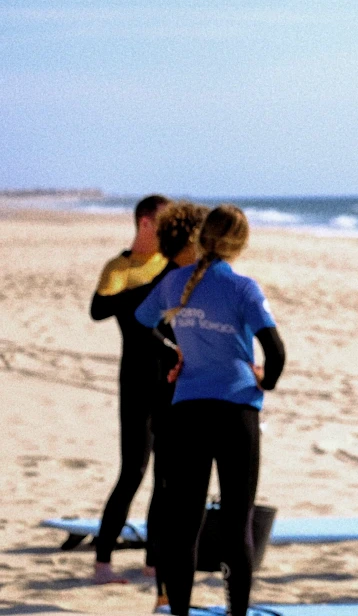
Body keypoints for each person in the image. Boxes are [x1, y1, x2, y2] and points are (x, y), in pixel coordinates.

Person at [135, 205, 285, 616]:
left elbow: (141, 322)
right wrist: (264, 380)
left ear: (202, 238)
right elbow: (276, 353)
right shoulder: (243, 288)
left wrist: (174, 354)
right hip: (236, 413)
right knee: (237, 526)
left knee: (184, 527)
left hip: (188, 414)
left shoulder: (174, 283)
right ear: (241, 244)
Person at [90, 194, 170, 585]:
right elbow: (98, 310)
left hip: (172, 381)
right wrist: (136, 292)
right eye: (163, 224)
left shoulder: (171, 264)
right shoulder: (120, 266)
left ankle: (153, 562)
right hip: (136, 380)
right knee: (134, 471)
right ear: (144, 224)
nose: (169, 232)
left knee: (166, 478)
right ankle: (102, 562)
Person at [143, 200, 209, 610]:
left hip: (185, 401)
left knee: (170, 495)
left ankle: (165, 589)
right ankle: (164, 591)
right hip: (170, 401)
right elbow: (142, 326)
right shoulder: (173, 281)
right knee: (170, 497)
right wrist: (174, 351)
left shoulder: (189, 279)